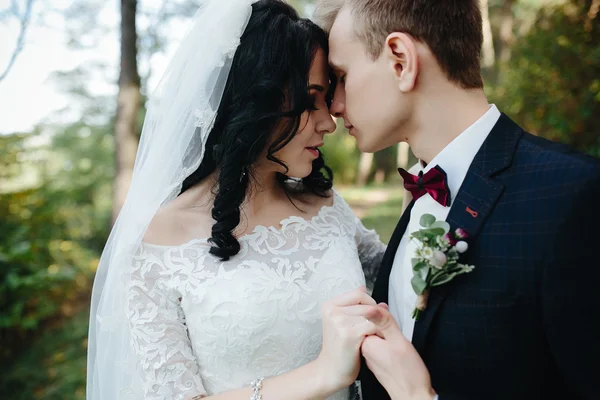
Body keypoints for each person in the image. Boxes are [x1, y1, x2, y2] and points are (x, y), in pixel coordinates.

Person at [86, 1, 386, 399]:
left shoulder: (324, 203)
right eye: (311, 98)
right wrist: (324, 374)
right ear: (255, 100)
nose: (329, 121)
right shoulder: (157, 241)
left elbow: (398, 282)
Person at [314, 0, 600, 399]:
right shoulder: (420, 193)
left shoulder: (575, 197)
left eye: (341, 76)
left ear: (400, 60)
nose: (335, 103)